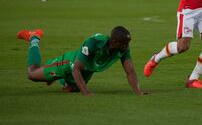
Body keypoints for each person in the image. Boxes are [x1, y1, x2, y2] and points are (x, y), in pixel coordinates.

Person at [16, 26, 147, 97]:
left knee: (73, 88)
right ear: (114, 42)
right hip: (67, 64)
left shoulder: (123, 49)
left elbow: (130, 71)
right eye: (124, 43)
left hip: (86, 71)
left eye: (127, 43)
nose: (126, 46)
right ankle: (34, 37)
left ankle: (58, 80)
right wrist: (87, 93)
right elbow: (76, 68)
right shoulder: (94, 42)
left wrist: (138, 92)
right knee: (32, 74)